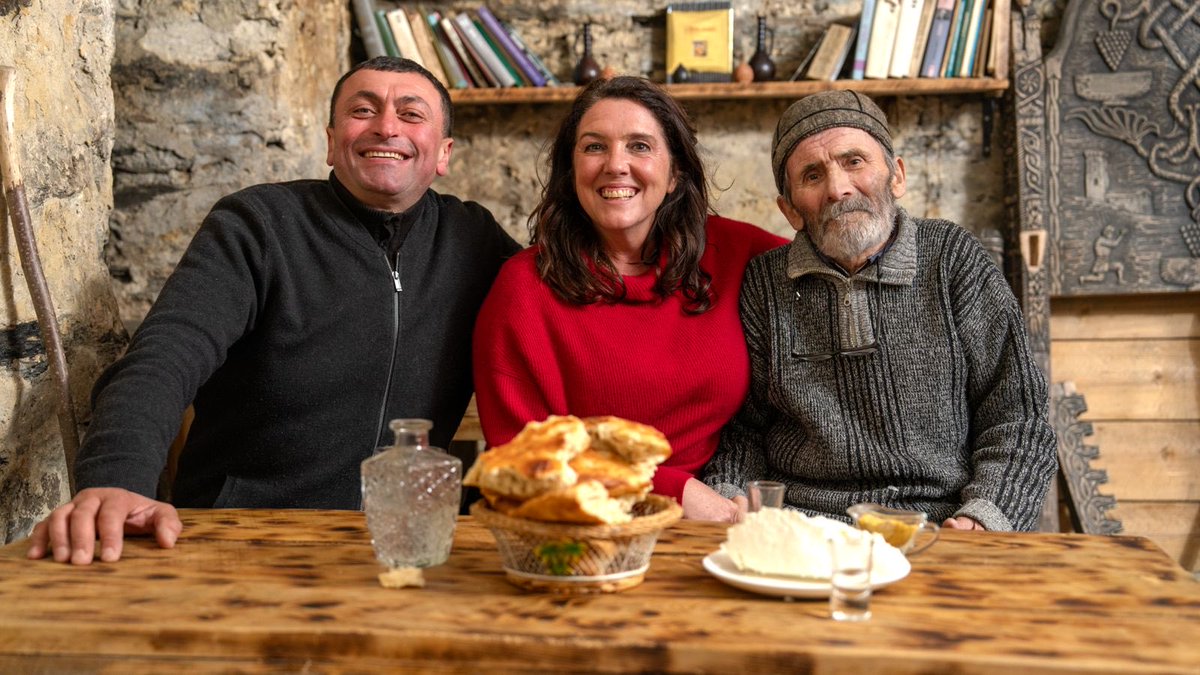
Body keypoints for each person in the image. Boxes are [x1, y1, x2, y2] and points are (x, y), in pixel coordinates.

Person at [27, 57, 520, 564]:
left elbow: (567, 296)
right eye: (363, 110)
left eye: (411, 114)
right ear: (331, 142)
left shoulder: (474, 241)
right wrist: (116, 481)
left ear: (443, 153)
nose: (386, 126)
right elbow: (164, 357)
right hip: (241, 537)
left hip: (405, 546)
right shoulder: (257, 226)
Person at [703, 90, 1058, 531]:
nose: (838, 189)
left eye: (854, 161)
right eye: (812, 176)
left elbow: (1018, 418)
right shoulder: (763, 284)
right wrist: (727, 495)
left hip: (939, 526)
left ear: (897, 176)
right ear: (790, 210)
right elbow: (744, 430)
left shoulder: (953, 259)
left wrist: (983, 519)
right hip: (803, 528)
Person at [472, 76, 786, 522]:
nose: (616, 165)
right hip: (585, 529)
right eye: (594, 147)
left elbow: (838, 266)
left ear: (675, 172)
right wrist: (679, 493)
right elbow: (521, 457)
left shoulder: (739, 253)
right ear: (571, 170)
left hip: (722, 508)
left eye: (640, 146)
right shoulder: (524, 287)